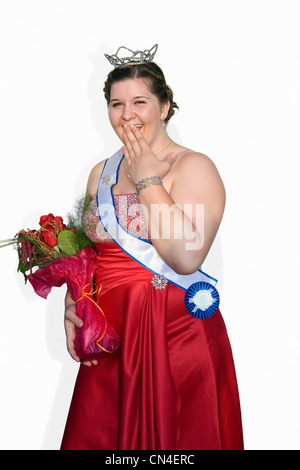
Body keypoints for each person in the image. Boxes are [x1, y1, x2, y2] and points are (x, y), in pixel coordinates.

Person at [61, 45, 244, 450]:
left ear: (164, 106)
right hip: (110, 341)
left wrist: (147, 180)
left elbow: (185, 256)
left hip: (175, 339)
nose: (127, 115)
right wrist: (74, 307)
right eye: (116, 104)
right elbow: (86, 255)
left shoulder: (194, 167)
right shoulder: (101, 173)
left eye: (140, 102)